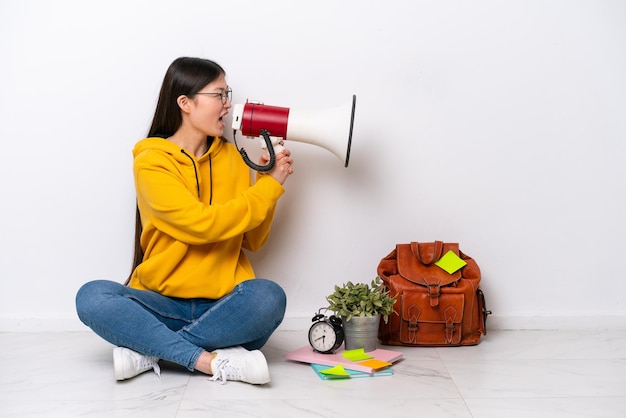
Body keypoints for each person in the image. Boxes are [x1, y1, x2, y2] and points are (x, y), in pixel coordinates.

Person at [76, 57, 294, 385]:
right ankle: (210, 360)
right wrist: (269, 188)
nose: (228, 103)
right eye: (219, 94)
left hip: (225, 305)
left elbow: (252, 239)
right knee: (91, 296)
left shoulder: (235, 159)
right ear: (185, 103)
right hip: (161, 303)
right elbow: (201, 225)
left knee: (269, 297)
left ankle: (149, 348)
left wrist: (267, 185)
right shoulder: (151, 162)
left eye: (227, 93)